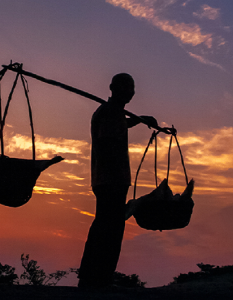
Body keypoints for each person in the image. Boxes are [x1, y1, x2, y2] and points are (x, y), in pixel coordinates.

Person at [78, 73, 158, 288]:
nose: (130, 92)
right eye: (126, 88)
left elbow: (118, 125)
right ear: (113, 88)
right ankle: (98, 277)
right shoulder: (108, 112)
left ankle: (93, 275)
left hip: (110, 179)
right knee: (109, 228)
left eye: (132, 88)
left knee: (106, 225)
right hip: (110, 178)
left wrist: (139, 120)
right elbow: (109, 138)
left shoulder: (114, 113)